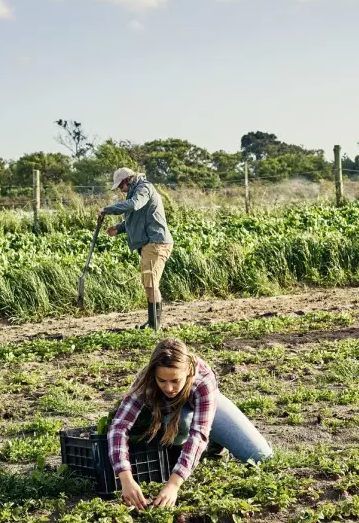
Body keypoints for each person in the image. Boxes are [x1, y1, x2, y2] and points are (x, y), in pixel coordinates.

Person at [107, 337, 273, 510]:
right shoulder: (147, 380)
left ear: (187, 372)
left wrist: (174, 485)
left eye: (175, 380)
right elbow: (119, 426)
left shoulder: (203, 380)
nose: (169, 388)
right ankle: (182, 449)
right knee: (181, 420)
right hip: (165, 412)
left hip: (203, 406)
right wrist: (125, 478)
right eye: (162, 381)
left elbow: (198, 434)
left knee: (262, 457)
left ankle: (215, 445)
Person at [100, 167, 174, 330]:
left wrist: (108, 209)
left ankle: (155, 325)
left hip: (156, 242)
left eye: (120, 186)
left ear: (128, 180)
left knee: (151, 283)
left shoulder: (143, 188)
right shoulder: (135, 191)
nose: (120, 190)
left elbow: (134, 205)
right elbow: (136, 218)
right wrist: (118, 228)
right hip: (150, 243)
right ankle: (152, 322)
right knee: (148, 283)